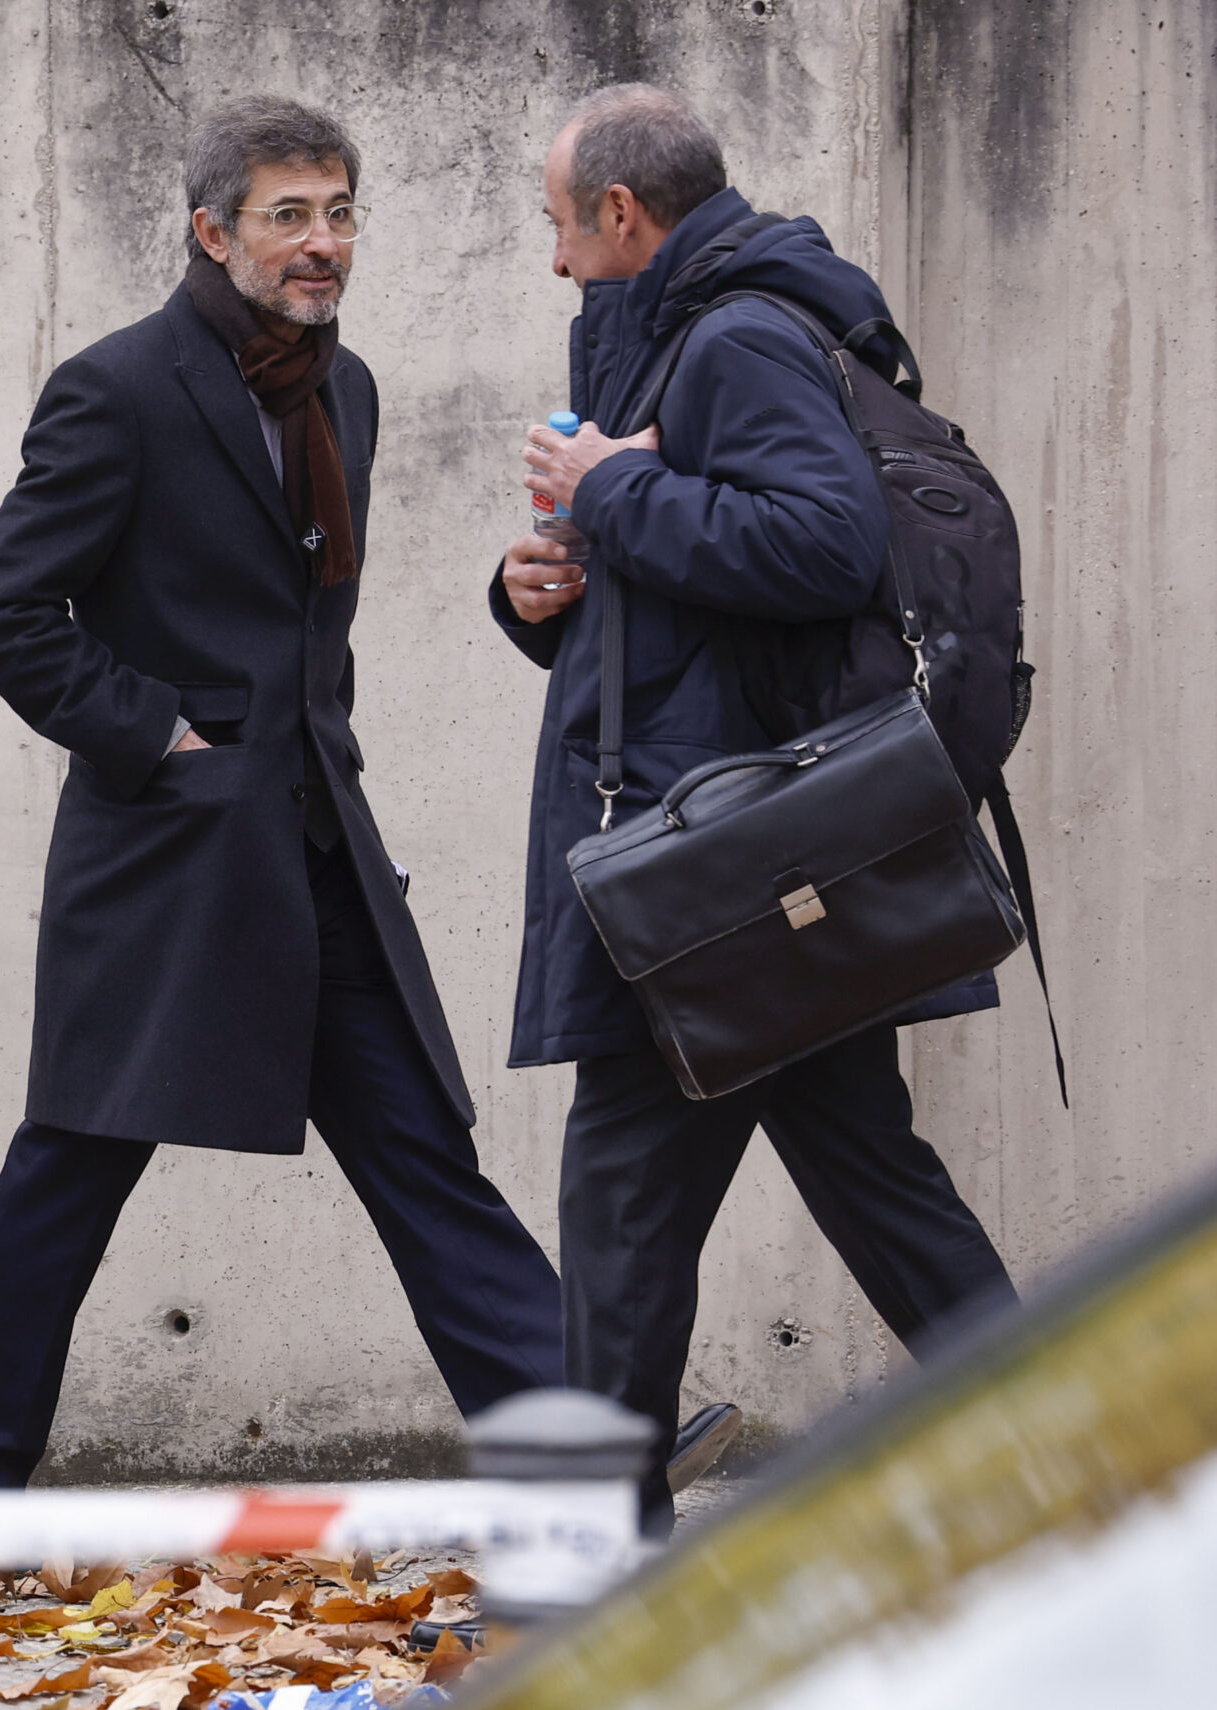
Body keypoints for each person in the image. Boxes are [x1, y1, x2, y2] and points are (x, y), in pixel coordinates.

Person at [0, 95, 566, 1489]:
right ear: (213, 233)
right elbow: (3, 616)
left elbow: (306, 626)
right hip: (165, 861)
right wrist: (163, 736)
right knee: (65, 1177)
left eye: (339, 213)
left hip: (315, 854)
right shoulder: (118, 388)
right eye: (289, 217)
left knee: (426, 1161)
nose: (322, 243)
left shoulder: (348, 387)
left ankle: (588, 1453)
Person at [493, 83, 1017, 1532]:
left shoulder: (731, 338)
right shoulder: (689, 330)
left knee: (622, 1204)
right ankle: (1084, 1470)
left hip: (715, 863)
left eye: (560, 226)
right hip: (758, 849)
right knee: (878, 1190)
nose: (554, 259)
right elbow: (700, 592)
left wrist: (609, 495)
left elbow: (824, 546)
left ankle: (599, 1546)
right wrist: (541, 588)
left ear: (620, 213)